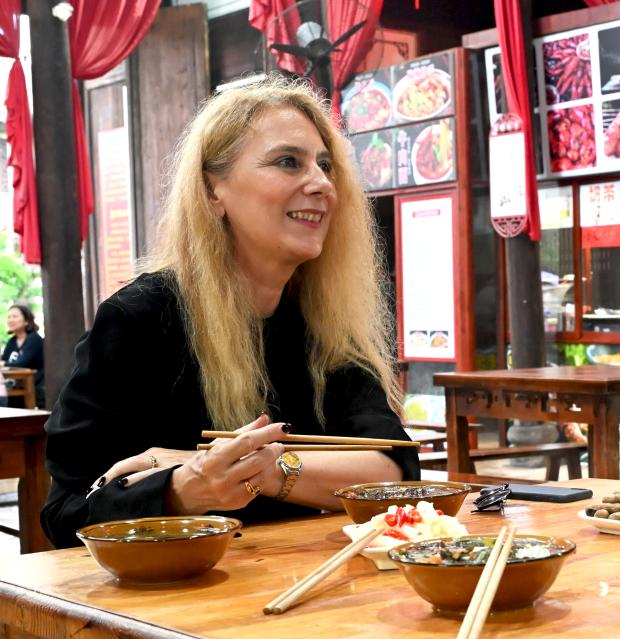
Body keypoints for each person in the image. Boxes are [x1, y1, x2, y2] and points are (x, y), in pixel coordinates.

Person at [42, 76, 418, 548]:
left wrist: (247, 468)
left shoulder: (326, 323)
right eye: (288, 162)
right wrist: (183, 489)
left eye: (325, 165)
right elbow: (67, 513)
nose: (322, 184)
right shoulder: (138, 319)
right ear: (213, 191)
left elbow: (394, 470)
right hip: (178, 603)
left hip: (308, 591)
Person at [2, 303, 45, 406]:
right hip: (14, 385)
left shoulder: (34, 339)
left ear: (26, 321)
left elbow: (22, 363)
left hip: (34, 386)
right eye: (9, 317)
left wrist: (3, 364)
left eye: (15, 316)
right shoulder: (12, 341)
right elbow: (4, 361)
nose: (10, 320)